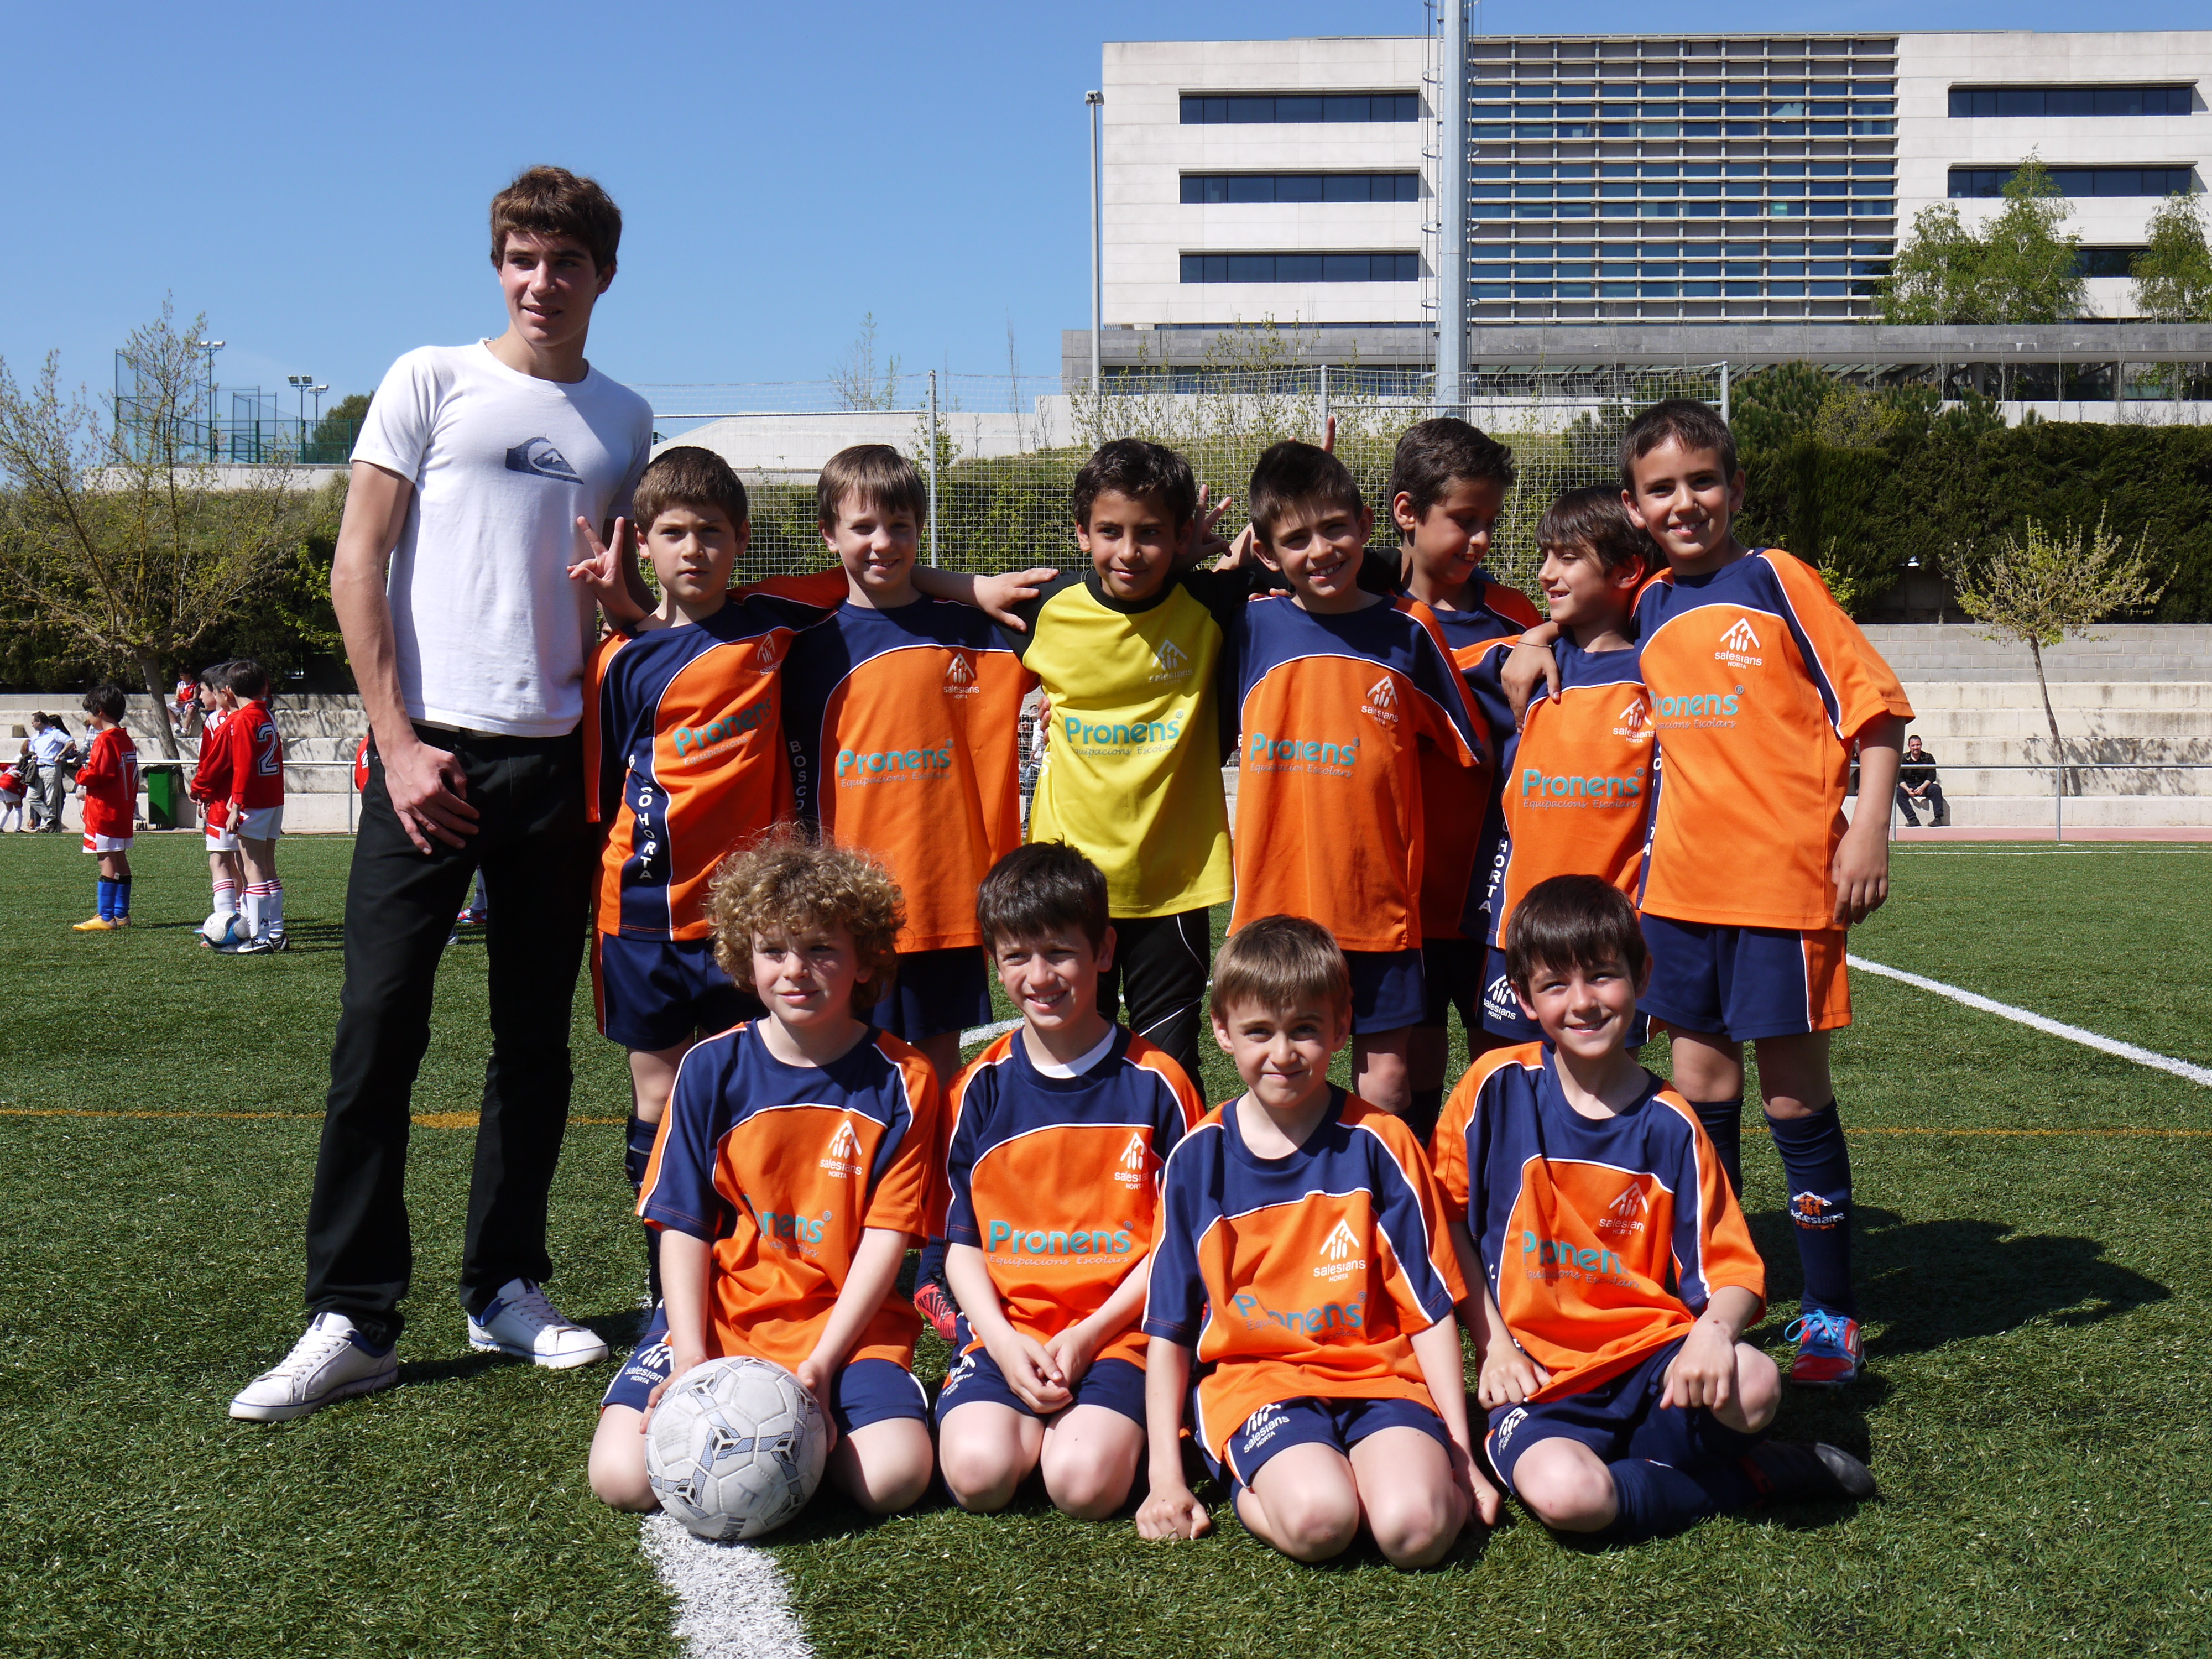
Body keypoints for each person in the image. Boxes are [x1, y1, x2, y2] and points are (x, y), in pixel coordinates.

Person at [231, 165, 655, 1422]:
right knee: (377, 1030)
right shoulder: (426, 379)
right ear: (499, 266)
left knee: (532, 1042)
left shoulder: (628, 419)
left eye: (564, 261)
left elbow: (623, 602)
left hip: (560, 759)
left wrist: (623, 608)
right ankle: (351, 1312)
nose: (541, 281)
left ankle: (506, 1282)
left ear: (601, 276)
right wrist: (398, 742)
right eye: (521, 259)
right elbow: (357, 568)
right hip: (429, 753)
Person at [1506, 398, 1912, 1387]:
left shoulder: (1775, 579)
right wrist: (1533, 644)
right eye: (1662, 489)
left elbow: (1878, 709)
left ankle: (1827, 1315)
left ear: (1735, 488)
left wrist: (1867, 829)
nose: (1685, 502)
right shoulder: (1648, 608)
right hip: (1678, 900)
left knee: (1791, 1096)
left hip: (1782, 891)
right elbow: (1577, 622)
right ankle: (1713, 1295)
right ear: (1638, 511)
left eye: (1702, 481)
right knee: (1699, 1100)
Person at [1432, 874, 1875, 1544]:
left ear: (1641, 976)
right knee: (1568, 1498)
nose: (1582, 1003)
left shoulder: (1670, 1123)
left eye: (1603, 977)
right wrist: (1493, 1344)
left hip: (1647, 1359)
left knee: (1754, 1383)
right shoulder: (1492, 1089)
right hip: (1540, 1379)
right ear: (1522, 999)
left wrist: (1711, 1333)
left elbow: (1731, 1275)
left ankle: (1663, 1460)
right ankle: (1745, 1479)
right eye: (1555, 986)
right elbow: (1447, 1225)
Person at [587, 838, 939, 1519]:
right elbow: (683, 1225)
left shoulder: (904, 1080)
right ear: (744, 959)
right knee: (621, 1480)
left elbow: (887, 1238)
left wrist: (822, 1365)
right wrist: (691, 1357)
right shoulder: (709, 1068)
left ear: (864, 958)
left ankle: (829, 1424)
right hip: (723, 1318)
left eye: (821, 951)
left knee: (893, 1479)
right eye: (774, 950)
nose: (795, 970)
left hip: (847, 1327)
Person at [1136, 916, 1497, 1568]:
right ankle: (1259, 1478)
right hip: (1258, 1382)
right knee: (1320, 1522)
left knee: (1417, 1531)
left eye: (1305, 1028)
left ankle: (1375, 1472)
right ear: (1221, 1031)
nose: (1283, 1053)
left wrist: (1460, 1452)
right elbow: (1167, 1330)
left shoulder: (1381, 1143)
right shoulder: (1197, 1161)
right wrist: (1167, 1476)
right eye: (1258, 1032)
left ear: (1339, 1027)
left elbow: (1429, 1313)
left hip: (1378, 1377)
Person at [583, 444, 847, 1301]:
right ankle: (665, 1282)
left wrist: (974, 591)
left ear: (740, 542)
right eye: (673, 533)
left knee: (750, 1083)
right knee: (657, 1095)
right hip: (643, 913)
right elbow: (604, 791)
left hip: (747, 923)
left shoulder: (773, 619)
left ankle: (750, 1268)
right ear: (644, 544)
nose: (692, 549)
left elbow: (878, 566)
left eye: (711, 532)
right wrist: (623, 614)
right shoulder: (618, 658)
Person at [934, 842, 1202, 1519]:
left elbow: (1178, 1248)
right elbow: (958, 1244)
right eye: (1018, 956)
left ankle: (1116, 1423)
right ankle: (1021, 1413)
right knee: (977, 1475)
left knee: (1083, 1486)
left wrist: (1087, 1337)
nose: (1040, 976)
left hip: (1119, 1332)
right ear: (995, 963)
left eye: (1059, 952)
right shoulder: (978, 1090)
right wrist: (997, 1337)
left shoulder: (1159, 1085)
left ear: (1103, 951)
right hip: (1012, 1329)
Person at [1230, 440, 1486, 1121]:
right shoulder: (1247, 625)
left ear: (1368, 524)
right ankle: (1300, 1218)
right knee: (1282, 1078)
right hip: (1274, 907)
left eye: (1335, 528)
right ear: (1265, 552)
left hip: (1378, 907)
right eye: (1296, 538)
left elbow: (1470, 745)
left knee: (1388, 1087)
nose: (1320, 550)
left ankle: (1389, 1218)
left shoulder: (1409, 631)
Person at [991, 439, 1241, 1093]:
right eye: (1110, 532)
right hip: (1069, 882)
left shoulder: (1211, 607)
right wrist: (966, 585)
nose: (1128, 552)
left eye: (1150, 534)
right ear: (1081, 533)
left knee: (1170, 1069)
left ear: (1181, 535)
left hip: (1174, 882)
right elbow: (912, 603)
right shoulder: (1045, 608)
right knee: (1072, 1060)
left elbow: (1330, 565)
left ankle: (1169, 1193)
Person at [781, 445, 1031, 1087]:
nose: (883, 543)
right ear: (828, 534)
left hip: (944, 898)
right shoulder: (797, 638)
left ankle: (935, 1191)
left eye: (901, 526)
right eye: (862, 527)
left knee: (936, 1078)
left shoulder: (986, 629)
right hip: (841, 901)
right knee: (840, 1073)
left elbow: (1105, 599)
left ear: (921, 529)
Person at [1381, 419, 1540, 1134]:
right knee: (1408, 1068)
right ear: (1407, 513)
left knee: (1500, 1061)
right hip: (1401, 896)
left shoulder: (1521, 617)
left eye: (1490, 523)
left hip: (1493, 893)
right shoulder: (1366, 616)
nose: (1480, 540)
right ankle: (1420, 1216)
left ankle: (1499, 1215)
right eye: (1464, 521)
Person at [1469, 487, 1655, 1046]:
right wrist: (1531, 637)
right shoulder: (1513, 666)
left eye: (1568, 557)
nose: (1547, 574)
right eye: (1545, 555)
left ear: (1627, 570)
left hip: (1610, 941)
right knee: (1507, 1086)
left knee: (1598, 1102)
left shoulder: (1661, 676)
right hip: (1515, 934)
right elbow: (1402, 648)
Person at [215, 659, 288, 954]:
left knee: (252, 866)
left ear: (229, 690)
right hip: (272, 798)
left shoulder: (244, 719)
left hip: (254, 801)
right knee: (267, 865)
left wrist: (236, 806)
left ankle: (259, 937)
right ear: (265, 686)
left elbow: (244, 766)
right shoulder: (266, 714)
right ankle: (277, 932)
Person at [71, 686, 139, 932]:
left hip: (105, 811)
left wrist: (80, 773)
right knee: (120, 857)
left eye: (89, 713)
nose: (88, 719)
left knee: (106, 859)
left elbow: (100, 772)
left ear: (99, 712)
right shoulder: (125, 738)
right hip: (121, 811)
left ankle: (106, 916)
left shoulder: (105, 740)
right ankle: (121, 914)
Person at [189, 666, 246, 940]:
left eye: (203, 690)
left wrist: (202, 792)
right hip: (250, 800)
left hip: (224, 801)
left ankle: (225, 924)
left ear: (221, 692)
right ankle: (246, 918)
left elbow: (210, 763)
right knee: (245, 863)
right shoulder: (259, 717)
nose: (200, 696)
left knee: (220, 860)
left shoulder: (217, 722)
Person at [28, 712, 72, 832]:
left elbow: (70, 742)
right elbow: (31, 749)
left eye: (33, 722)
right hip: (37, 769)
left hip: (51, 767)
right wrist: (33, 756)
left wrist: (60, 755)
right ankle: (51, 819)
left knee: (50, 799)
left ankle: (46, 826)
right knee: (32, 797)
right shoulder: (35, 737)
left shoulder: (55, 733)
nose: (32, 725)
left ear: (39, 722)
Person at [1896, 734, 1948, 827]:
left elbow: (1932, 776)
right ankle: (1912, 819)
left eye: (1918, 745)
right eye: (1913, 745)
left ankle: (1938, 819)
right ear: (1909, 746)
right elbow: (1899, 778)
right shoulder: (1903, 759)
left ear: (1921, 745)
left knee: (1936, 789)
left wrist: (1923, 787)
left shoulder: (1928, 758)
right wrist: (1907, 789)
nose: (1916, 748)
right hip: (1909, 787)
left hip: (1924, 786)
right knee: (1898, 792)